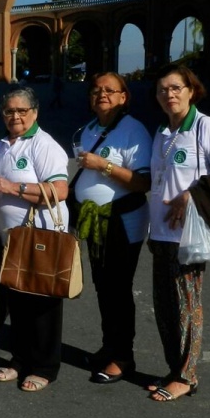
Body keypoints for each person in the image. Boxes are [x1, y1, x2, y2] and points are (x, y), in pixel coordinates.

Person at [146, 64, 210, 402]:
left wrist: (190, 194)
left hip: (188, 236)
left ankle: (187, 375)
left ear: (191, 90)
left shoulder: (204, 126)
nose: (169, 94)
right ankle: (174, 369)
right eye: (162, 89)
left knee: (187, 306)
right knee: (165, 307)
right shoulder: (162, 132)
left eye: (176, 88)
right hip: (161, 233)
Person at [0, 87, 69, 392]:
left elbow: (59, 191)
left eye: (22, 111)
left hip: (41, 235)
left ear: (34, 112)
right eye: (9, 111)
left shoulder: (43, 145)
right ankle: (20, 358)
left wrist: (14, 189)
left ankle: (45, 366)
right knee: (17, 300)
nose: (15, 116)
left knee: (42, 303)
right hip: (11, 238)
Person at [70, 72, 151, 384]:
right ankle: (109, 346)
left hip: (122, 219)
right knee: (104, 286)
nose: (101, 94)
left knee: (118, 287)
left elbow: (143, 182)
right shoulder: (90, 129)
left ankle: (123, 356)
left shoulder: (134, 131)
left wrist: (102, 165)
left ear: (123, 97)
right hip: (94, 217)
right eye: (96, 90)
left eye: (109, 90)